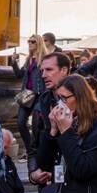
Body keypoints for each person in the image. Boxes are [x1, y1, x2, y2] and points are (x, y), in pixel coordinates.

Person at [28, 50, 72, 181]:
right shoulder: (43, 102)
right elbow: (34, 145)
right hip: (50, 175)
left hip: (78, 181)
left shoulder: (81, 100)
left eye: (49, 70)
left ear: (64, 70)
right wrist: (33, 173)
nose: (43, 75)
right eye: (42, 70)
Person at [16, 34, 47, 155]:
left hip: (39, 94)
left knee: (36, 124)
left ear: (38, 43)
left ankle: (37, 149)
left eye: (32, 41)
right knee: (20, 123)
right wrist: (14, 62)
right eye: (29, 41)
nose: (30, 43)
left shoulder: (44, 59)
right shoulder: (28, 59)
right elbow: (19, 75)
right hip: (27, 94)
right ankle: (30, 149)